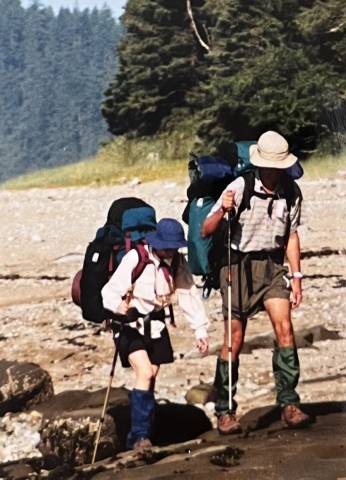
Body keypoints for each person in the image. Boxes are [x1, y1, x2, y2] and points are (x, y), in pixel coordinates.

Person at [201, 130, 310, 435]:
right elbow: (206, 230)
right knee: (234, 338)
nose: (276, 170)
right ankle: (225, 410)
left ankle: (289, 404)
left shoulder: (292, 192)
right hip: (236, 266)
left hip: (272, 266)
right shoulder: (240, 187)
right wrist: (223, 209)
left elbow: (291, 235)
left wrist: (297, 277)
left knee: (285, 328)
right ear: (262, 164)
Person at [102, 218, 209, 450]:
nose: (170, 251)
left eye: (174, 247)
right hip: (130, 324)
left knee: (151, 378)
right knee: (145, 373)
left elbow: (188, 295)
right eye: (167, 246)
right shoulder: (136, 258)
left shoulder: (177, 262)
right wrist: (119, 308)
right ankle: (139, 436)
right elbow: (109, 292)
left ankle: (143, 433)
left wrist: (200, 329)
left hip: (156, 324)